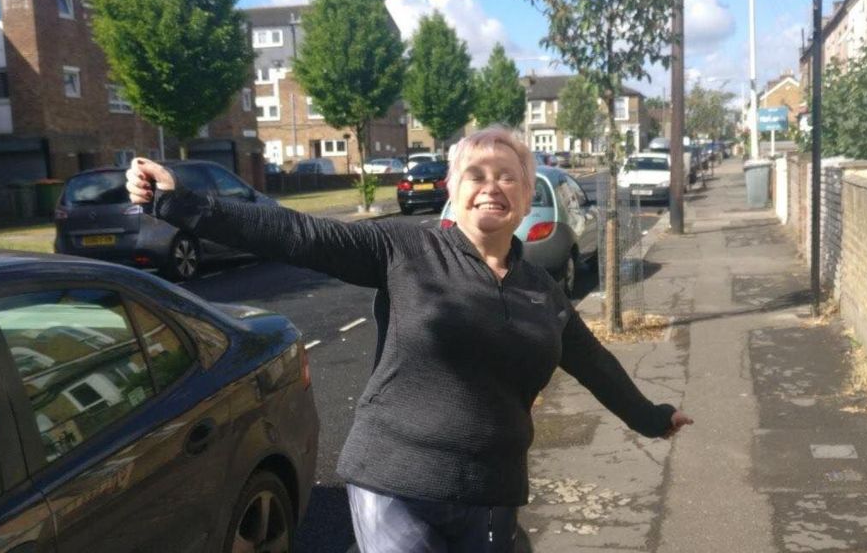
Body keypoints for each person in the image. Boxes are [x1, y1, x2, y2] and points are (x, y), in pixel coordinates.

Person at [126, 126, 693, 553]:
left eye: (508, 176)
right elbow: (297, 235)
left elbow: (592, 362)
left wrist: (651, 417)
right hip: (396, 482)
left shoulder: (540, 289)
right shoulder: (404, 250)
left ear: (524, 195)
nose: (491, 186)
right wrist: (179, 202)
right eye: (476, 174)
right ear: (452, 188)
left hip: (493, 492)